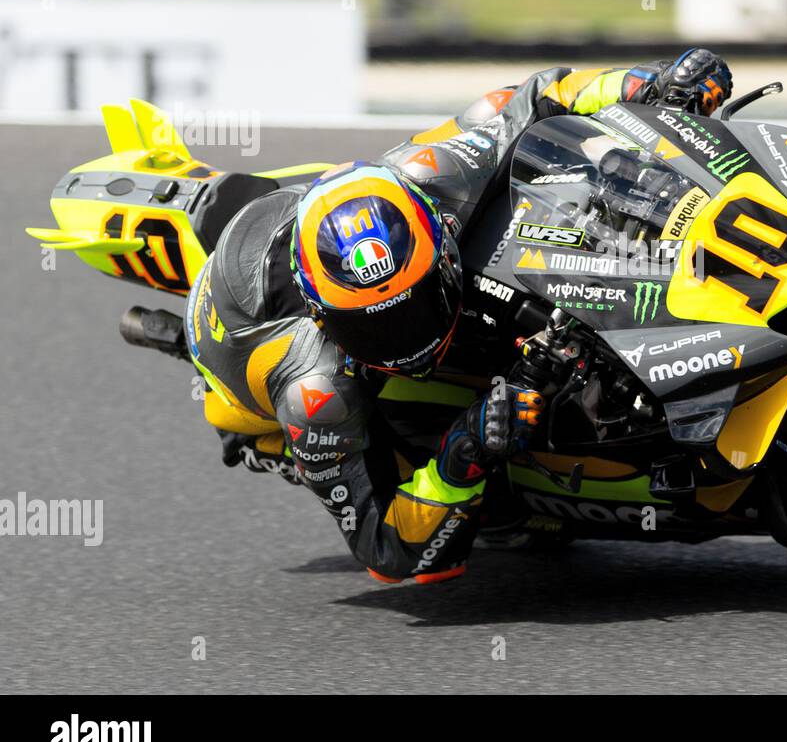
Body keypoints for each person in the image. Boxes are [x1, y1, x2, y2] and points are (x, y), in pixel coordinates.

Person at [184, 49, 733, 584]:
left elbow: (541, 94)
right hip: (249, 370)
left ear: (438, 240)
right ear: (323, 313)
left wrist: (649, 85)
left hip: (306, 209)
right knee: (470, 459)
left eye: (414, 304)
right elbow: (387, 551)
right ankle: (515, 505)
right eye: (372, 327)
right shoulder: (314, 393)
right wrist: (463, 452)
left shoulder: (436, 173)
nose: (404, 337)